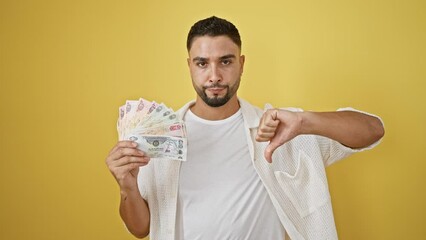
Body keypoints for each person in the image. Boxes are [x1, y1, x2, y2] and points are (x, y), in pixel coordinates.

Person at [105, 16, 385, 240]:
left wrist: (304, 121)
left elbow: (373, 130)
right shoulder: (159, 138)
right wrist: (127, 185)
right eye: (203, 63)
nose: (214, 76)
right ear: (190, 66)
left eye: (225, 62)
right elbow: (140, 229)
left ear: (241, 64)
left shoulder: (282, 130)